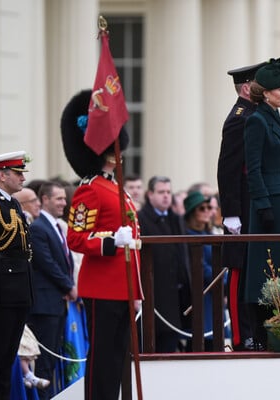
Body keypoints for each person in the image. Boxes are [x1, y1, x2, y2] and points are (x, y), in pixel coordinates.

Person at [61, 89, 143, 400]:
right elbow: (76, 238)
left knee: (116, 358)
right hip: (102, 287)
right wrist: (111, 242)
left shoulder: (116, 189)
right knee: (102, 361)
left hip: (122, 286)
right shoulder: (90, 190)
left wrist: (136, 291)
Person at [243, 58, 280, 348]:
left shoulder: (273, 117)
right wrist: (263, 204)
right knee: (270, 265)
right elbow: (252, 168)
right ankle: (265, 329)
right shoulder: (256, 120)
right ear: (265, 92)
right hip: (271, 203)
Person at [217, 60, 267, 351]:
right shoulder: (240, 117)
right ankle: (241, 335)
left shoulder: (257, 114)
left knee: (256, 268)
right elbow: (228, 168)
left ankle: (257, 331)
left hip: (255, 204)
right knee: (240, 270)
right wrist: (231, 213)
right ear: (248, 87)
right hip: (242, 206)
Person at [28, 180, 77, 399]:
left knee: (53, 360)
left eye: (64, 199)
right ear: (44, 199)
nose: (63, 203)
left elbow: (64, 260)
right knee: (44, 363)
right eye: (58, 198)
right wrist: (69, 286)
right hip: (45, 305)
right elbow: (47, 263)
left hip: (56, 303)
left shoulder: (55, 227)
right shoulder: (39, 228)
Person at [0, 151, 33, 400]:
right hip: (2, 293)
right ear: (2, 174)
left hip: (18, 291)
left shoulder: (12, 203)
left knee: (7, 358)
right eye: (17, 173)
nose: (22, 178)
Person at [137, 176, 189, 352]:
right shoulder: (141, 219)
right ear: (150, 194)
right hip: (153, 293)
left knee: (171, 344)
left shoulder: (176, 219)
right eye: (161, 192)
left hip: (176, 294)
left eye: (168, 192)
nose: (166, 196)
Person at [183, 191, 230, 351]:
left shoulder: (209, 233)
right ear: (191, 212)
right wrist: (224, 280)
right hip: (201, 293)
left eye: (209, 207)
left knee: (216, 341)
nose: (206, 211)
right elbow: (200, 267)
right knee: (201, 341)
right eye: (201, 208)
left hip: (214, 292)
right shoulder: (188, 235)